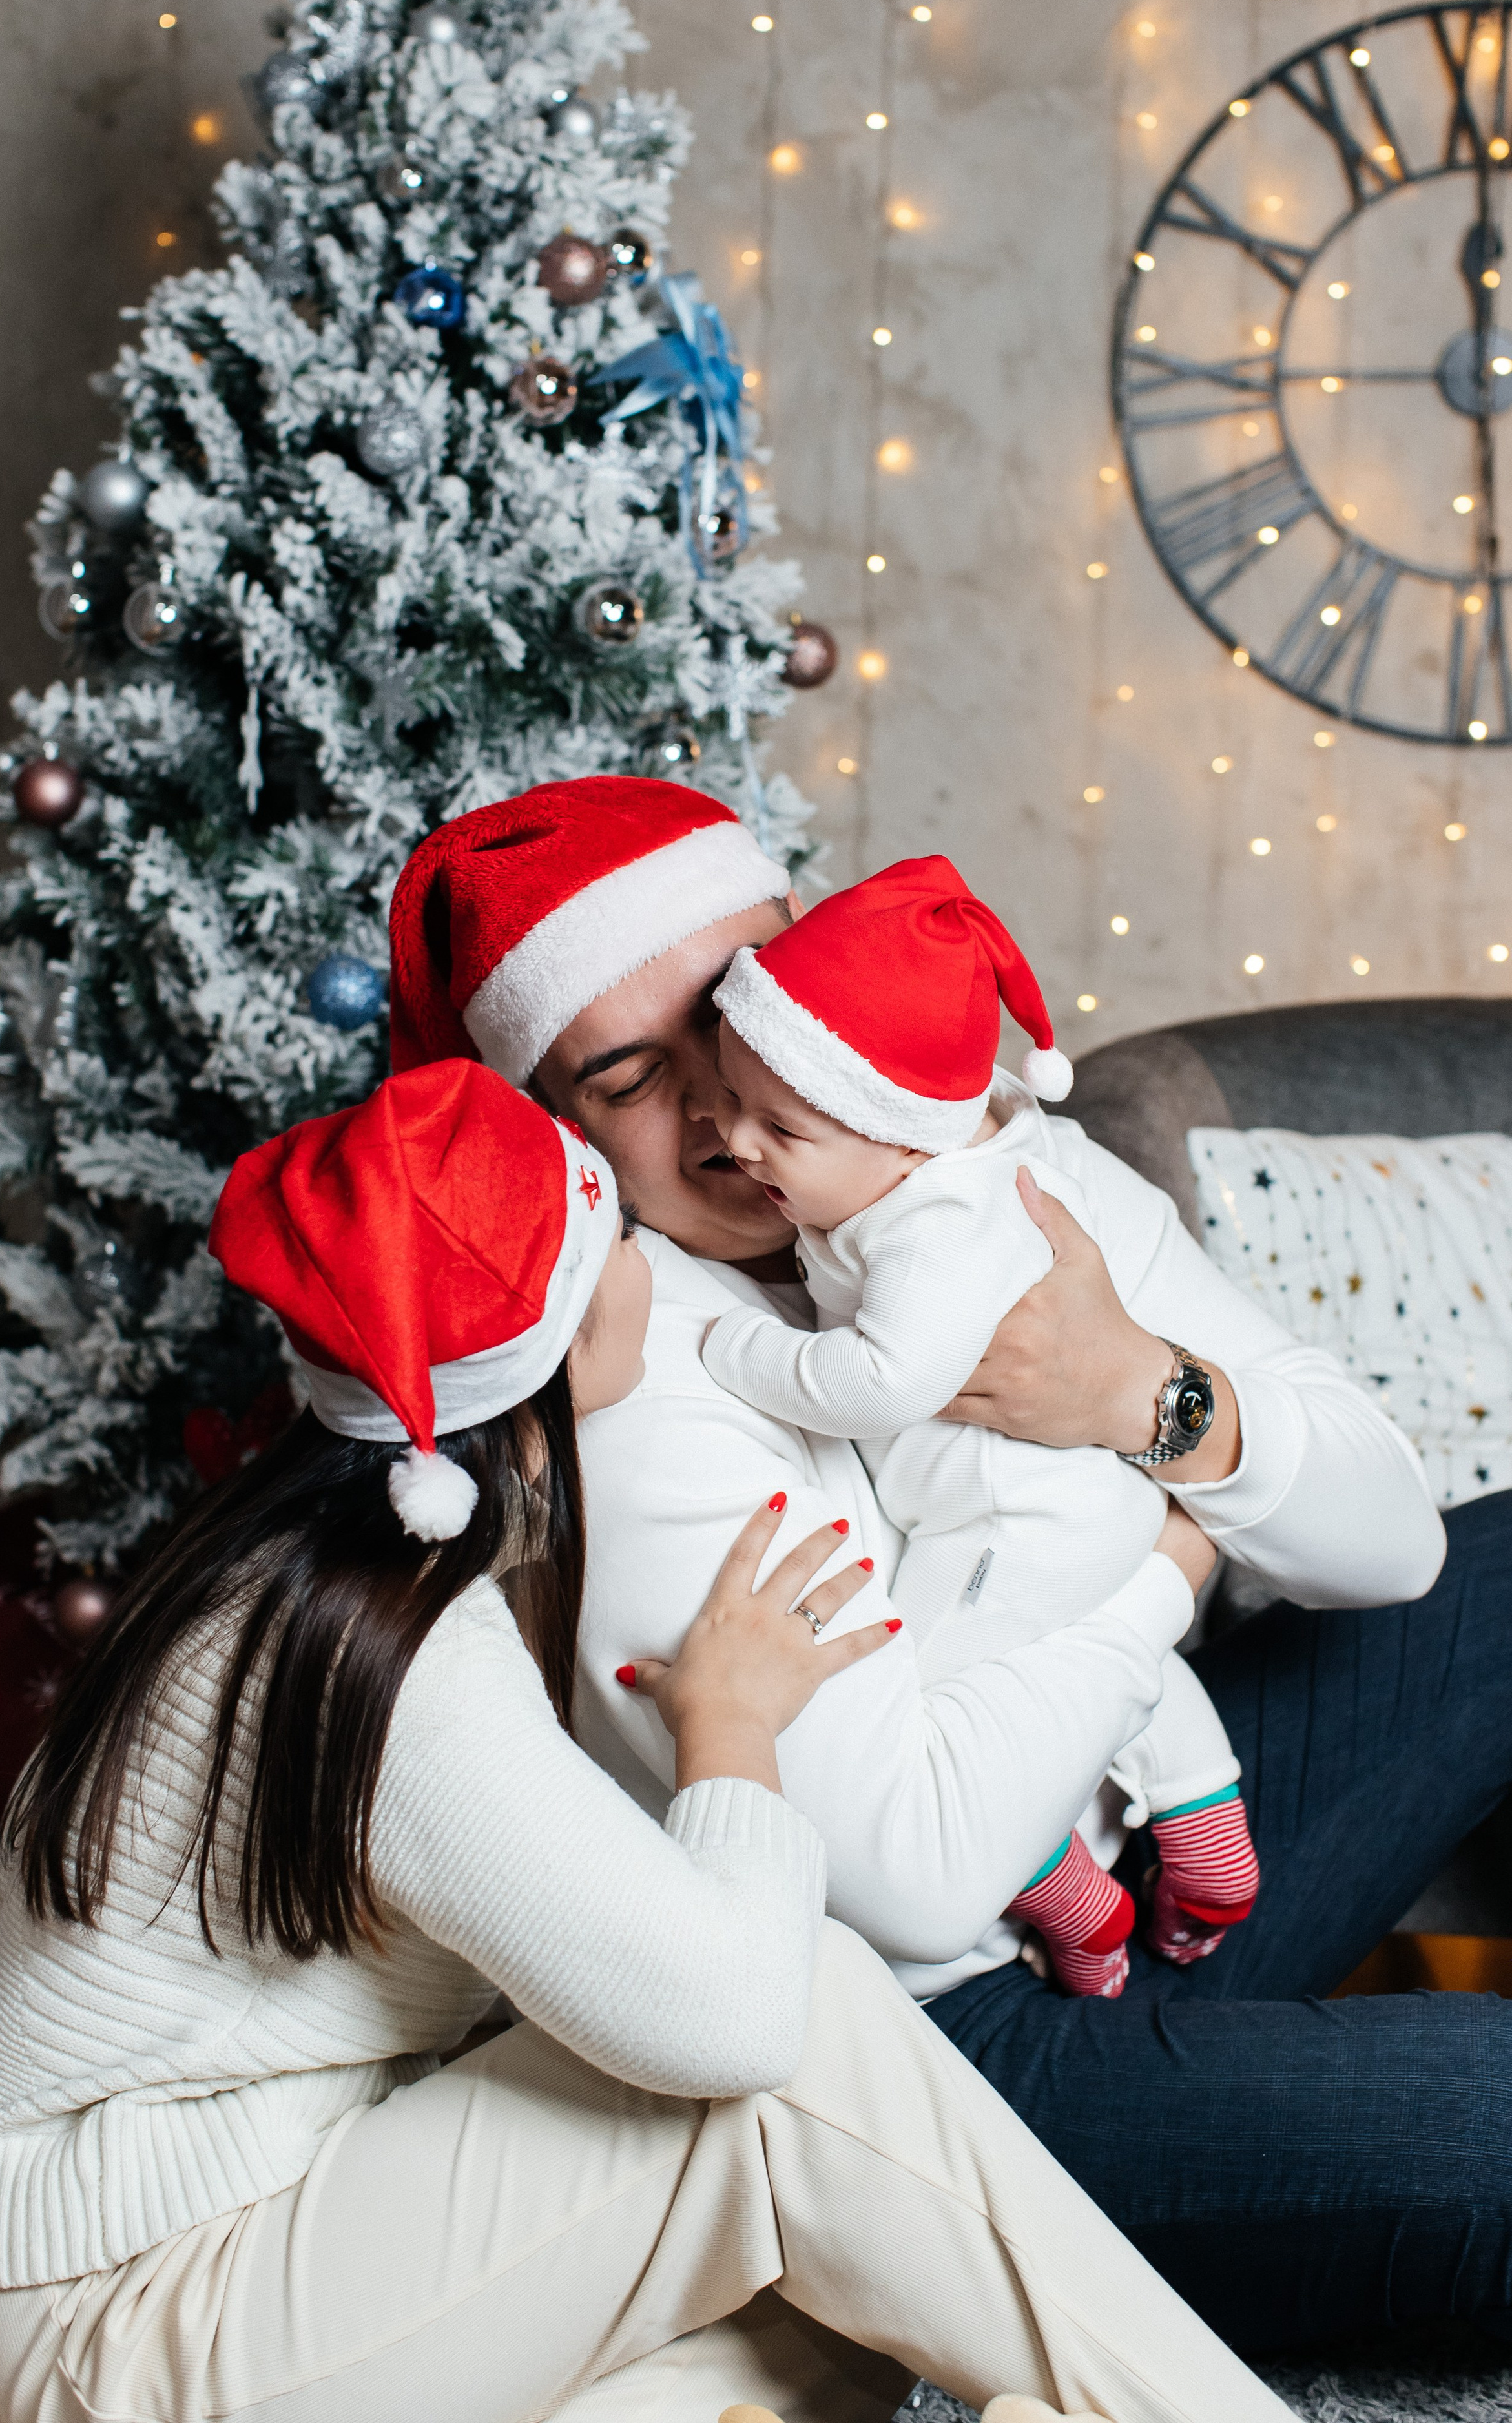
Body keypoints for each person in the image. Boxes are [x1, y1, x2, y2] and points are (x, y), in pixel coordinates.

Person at [0, 1059, 1290, 2423]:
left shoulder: (311, 1556)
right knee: (807, 2036)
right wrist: (729, 1726)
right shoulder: (398, 1661)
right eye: (623, 1238)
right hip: (122, 2339)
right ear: (570, 1337)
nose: (656, 1265)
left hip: (237, 2240)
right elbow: (737, 2022)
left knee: (835, 2312)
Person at [386, 775, 1512, 2358]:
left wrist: (1139, 1392)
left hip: (1156, 1848)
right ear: (557, 1134)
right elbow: (921, 1887)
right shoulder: (633, 1369)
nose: (722, 1107)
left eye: (737, 1003)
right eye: (631, 1077)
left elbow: (1391, 1544)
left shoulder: (995, 1171)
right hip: (938, 2058)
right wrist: (1160, 1572)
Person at [703, 853, 1261, 1997]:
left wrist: (740, 1350)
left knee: (926, 1717)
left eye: (778, 1128)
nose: (735, 1141)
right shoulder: (938, 1159)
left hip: (1010, 1525)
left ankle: (1065, 1890)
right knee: (1078, 1644)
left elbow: (883, 1381)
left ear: (902, 1135)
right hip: (1075, 1513)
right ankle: (1206, 1823)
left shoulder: (935, 1229)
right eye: (729, 1099)